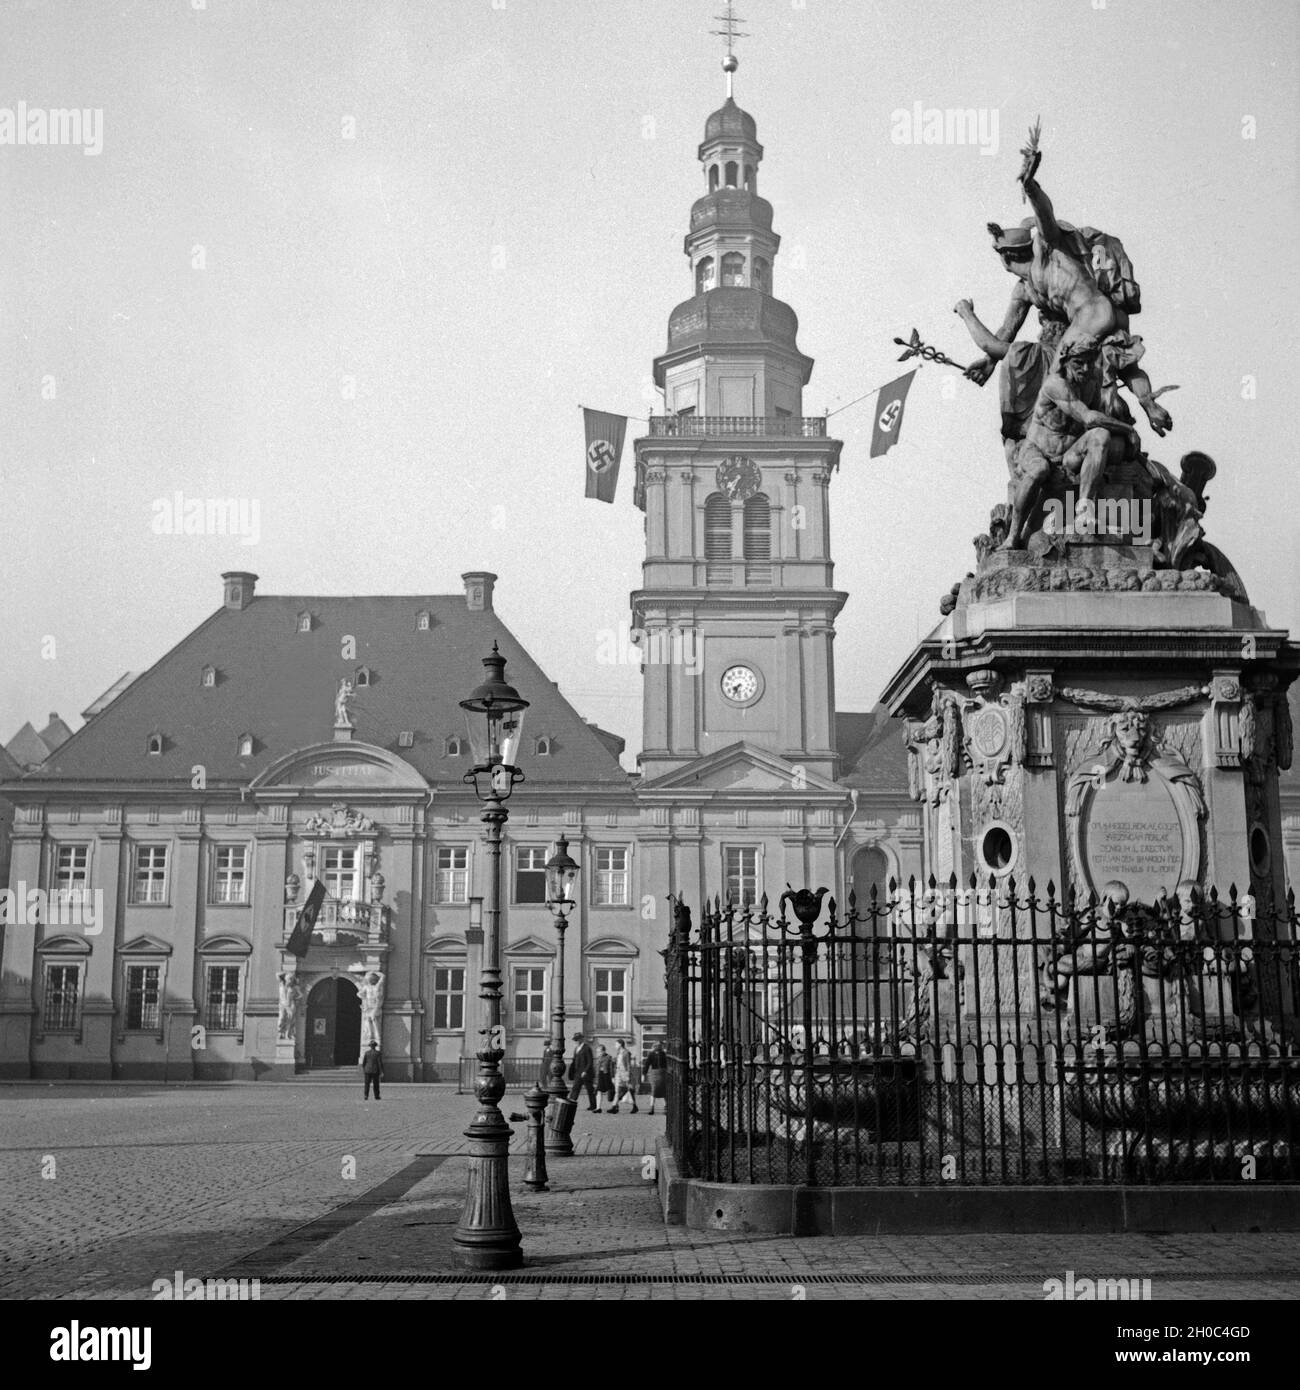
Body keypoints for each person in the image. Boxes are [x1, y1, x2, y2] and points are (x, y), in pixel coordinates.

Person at [567, 1032, 596, 1112]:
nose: (576, 1041)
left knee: (590, 1089)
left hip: (586, 1073)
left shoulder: (587, 1048)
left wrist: (585, 1071)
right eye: (575, 1040)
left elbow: (590, 1061)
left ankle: (593, 1105)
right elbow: (574, 1060)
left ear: (581, 1039)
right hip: (577, 1073)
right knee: (575, 1088)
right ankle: (571, 1104)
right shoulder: (576, 1049)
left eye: (577, 1039)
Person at [609, 1039, 638, 1115]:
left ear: (620, 1044)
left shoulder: (626, 1053)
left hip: (624, 1073)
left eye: (616, 1044)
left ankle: (634, 1106)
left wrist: (628, 1075)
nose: (615, 1046)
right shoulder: (618, 1052)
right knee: (617, 1090)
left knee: (629, 1090)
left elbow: (628, 1064)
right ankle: (614, 1107)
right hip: (618, 1073)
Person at [644, 1042, 666, 1116]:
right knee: (654, 1090)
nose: (657, 1047)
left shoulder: (663, 1054)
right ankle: (652, 1108)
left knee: (664, 1090)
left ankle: (666, 1107)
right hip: (655, 1074)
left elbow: (667, 1063)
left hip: (662, 1073)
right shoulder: (651, 1054)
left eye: (659, 1046)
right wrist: (644, 1073)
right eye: (656, 1046)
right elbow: (647, 1064)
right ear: (654, 1046)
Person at [593, 1044, 615, 1114]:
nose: (598, 1053)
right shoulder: (598, 1058)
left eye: (599, 1051)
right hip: (600, 1076)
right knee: (599, 1091)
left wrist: (613, 1077)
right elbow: (596, 1068)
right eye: (597, 1052)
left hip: (607, 1076)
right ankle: (598, 1108)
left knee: (611, 1092)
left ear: (603, 1051)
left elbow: (611, 1068)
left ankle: (614, 1106)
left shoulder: (609, 1057)